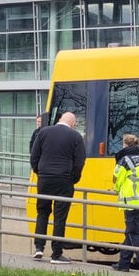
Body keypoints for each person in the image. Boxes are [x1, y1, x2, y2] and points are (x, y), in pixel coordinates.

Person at [30, 111, 86, 264]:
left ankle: (39, 248)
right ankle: (56, 254)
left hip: (45, 179)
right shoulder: (75, 137)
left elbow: (34, 156)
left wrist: (40, 172)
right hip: (63, 180)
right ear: (73, 123)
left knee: (42, 212)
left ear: (60, 119)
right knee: (60, 216)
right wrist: (72, 178)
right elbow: (79, 161)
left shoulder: (43, 132)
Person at [112, 133, 139, 274]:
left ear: (125, 144)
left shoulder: (125, 159)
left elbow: (117, 177)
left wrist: (116, 189)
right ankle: (124, 263)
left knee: (133, 233)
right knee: (131, 233)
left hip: (132, 201)